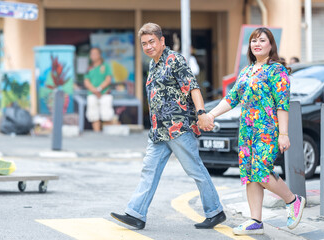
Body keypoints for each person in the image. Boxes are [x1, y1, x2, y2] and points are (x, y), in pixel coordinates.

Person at [111, 23, 225, 230]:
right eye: (144, 44)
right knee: (149, 170)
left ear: (162, 41)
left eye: (151, 42)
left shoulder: (175, 60)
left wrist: (201, 114)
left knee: (195, 170)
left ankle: (215, 211)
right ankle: (136, 213)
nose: (148, 47)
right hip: (158, 130)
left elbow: (193, 87)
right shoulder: (153, 65)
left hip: (177, 128)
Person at [202, 27, 306, 235]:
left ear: (271, 45)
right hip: (246, 131)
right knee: (250, 175)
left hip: (266, 131)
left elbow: (282, 105)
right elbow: (231, 99)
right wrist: (211, 115)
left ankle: (293, 200)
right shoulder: (247, 70)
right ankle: (255, 221)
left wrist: (284, 134)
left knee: (261, 172)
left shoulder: (276, 70)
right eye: (253, 41)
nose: (257, 44)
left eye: (262, 40)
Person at [84, 47, 115, 132]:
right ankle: (97, 133)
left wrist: (99, 89)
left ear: (99, 55)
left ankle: (108, 134)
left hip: (105, 93)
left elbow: (108, 79)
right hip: (92, 94)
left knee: (107, 114)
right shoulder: (89, 68)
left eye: (95, 53)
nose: (93, 56)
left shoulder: (105, 66)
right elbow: (86, 81)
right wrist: (94, 90)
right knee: (93, 115)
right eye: (91, 54)